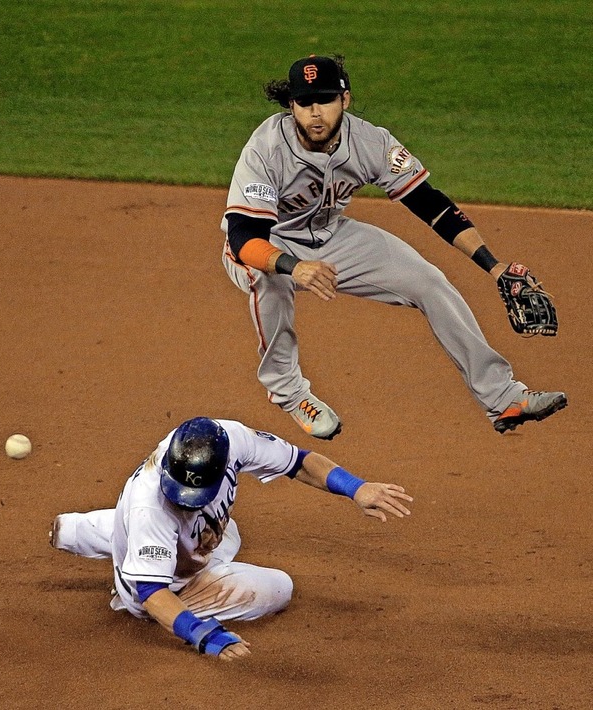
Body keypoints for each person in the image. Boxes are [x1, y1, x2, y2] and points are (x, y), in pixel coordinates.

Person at [220, 54, 567, 440]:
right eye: (305, 103)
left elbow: (432, 205)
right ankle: (289, 392)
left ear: (345, 100)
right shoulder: (265, 149)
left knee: (429, 282)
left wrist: (493, 265)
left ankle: (502, 396)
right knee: (270, 279)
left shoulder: (371, 141)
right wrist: (293, 266)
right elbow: (243, 239)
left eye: (325, 99)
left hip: (331, 235)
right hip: (270, 241)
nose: (315, 113)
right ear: (291, 106)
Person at [49, 416, 412, 662]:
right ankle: (128, 559)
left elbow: (299, 461)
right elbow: (150, 592)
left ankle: (87, 531)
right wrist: (202, 634)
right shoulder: (153, 506)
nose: (181, 499)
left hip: (176, 538)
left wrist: (356, 488)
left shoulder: (231, 438)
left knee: (225, 533)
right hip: (159, 590)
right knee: (277, 589)